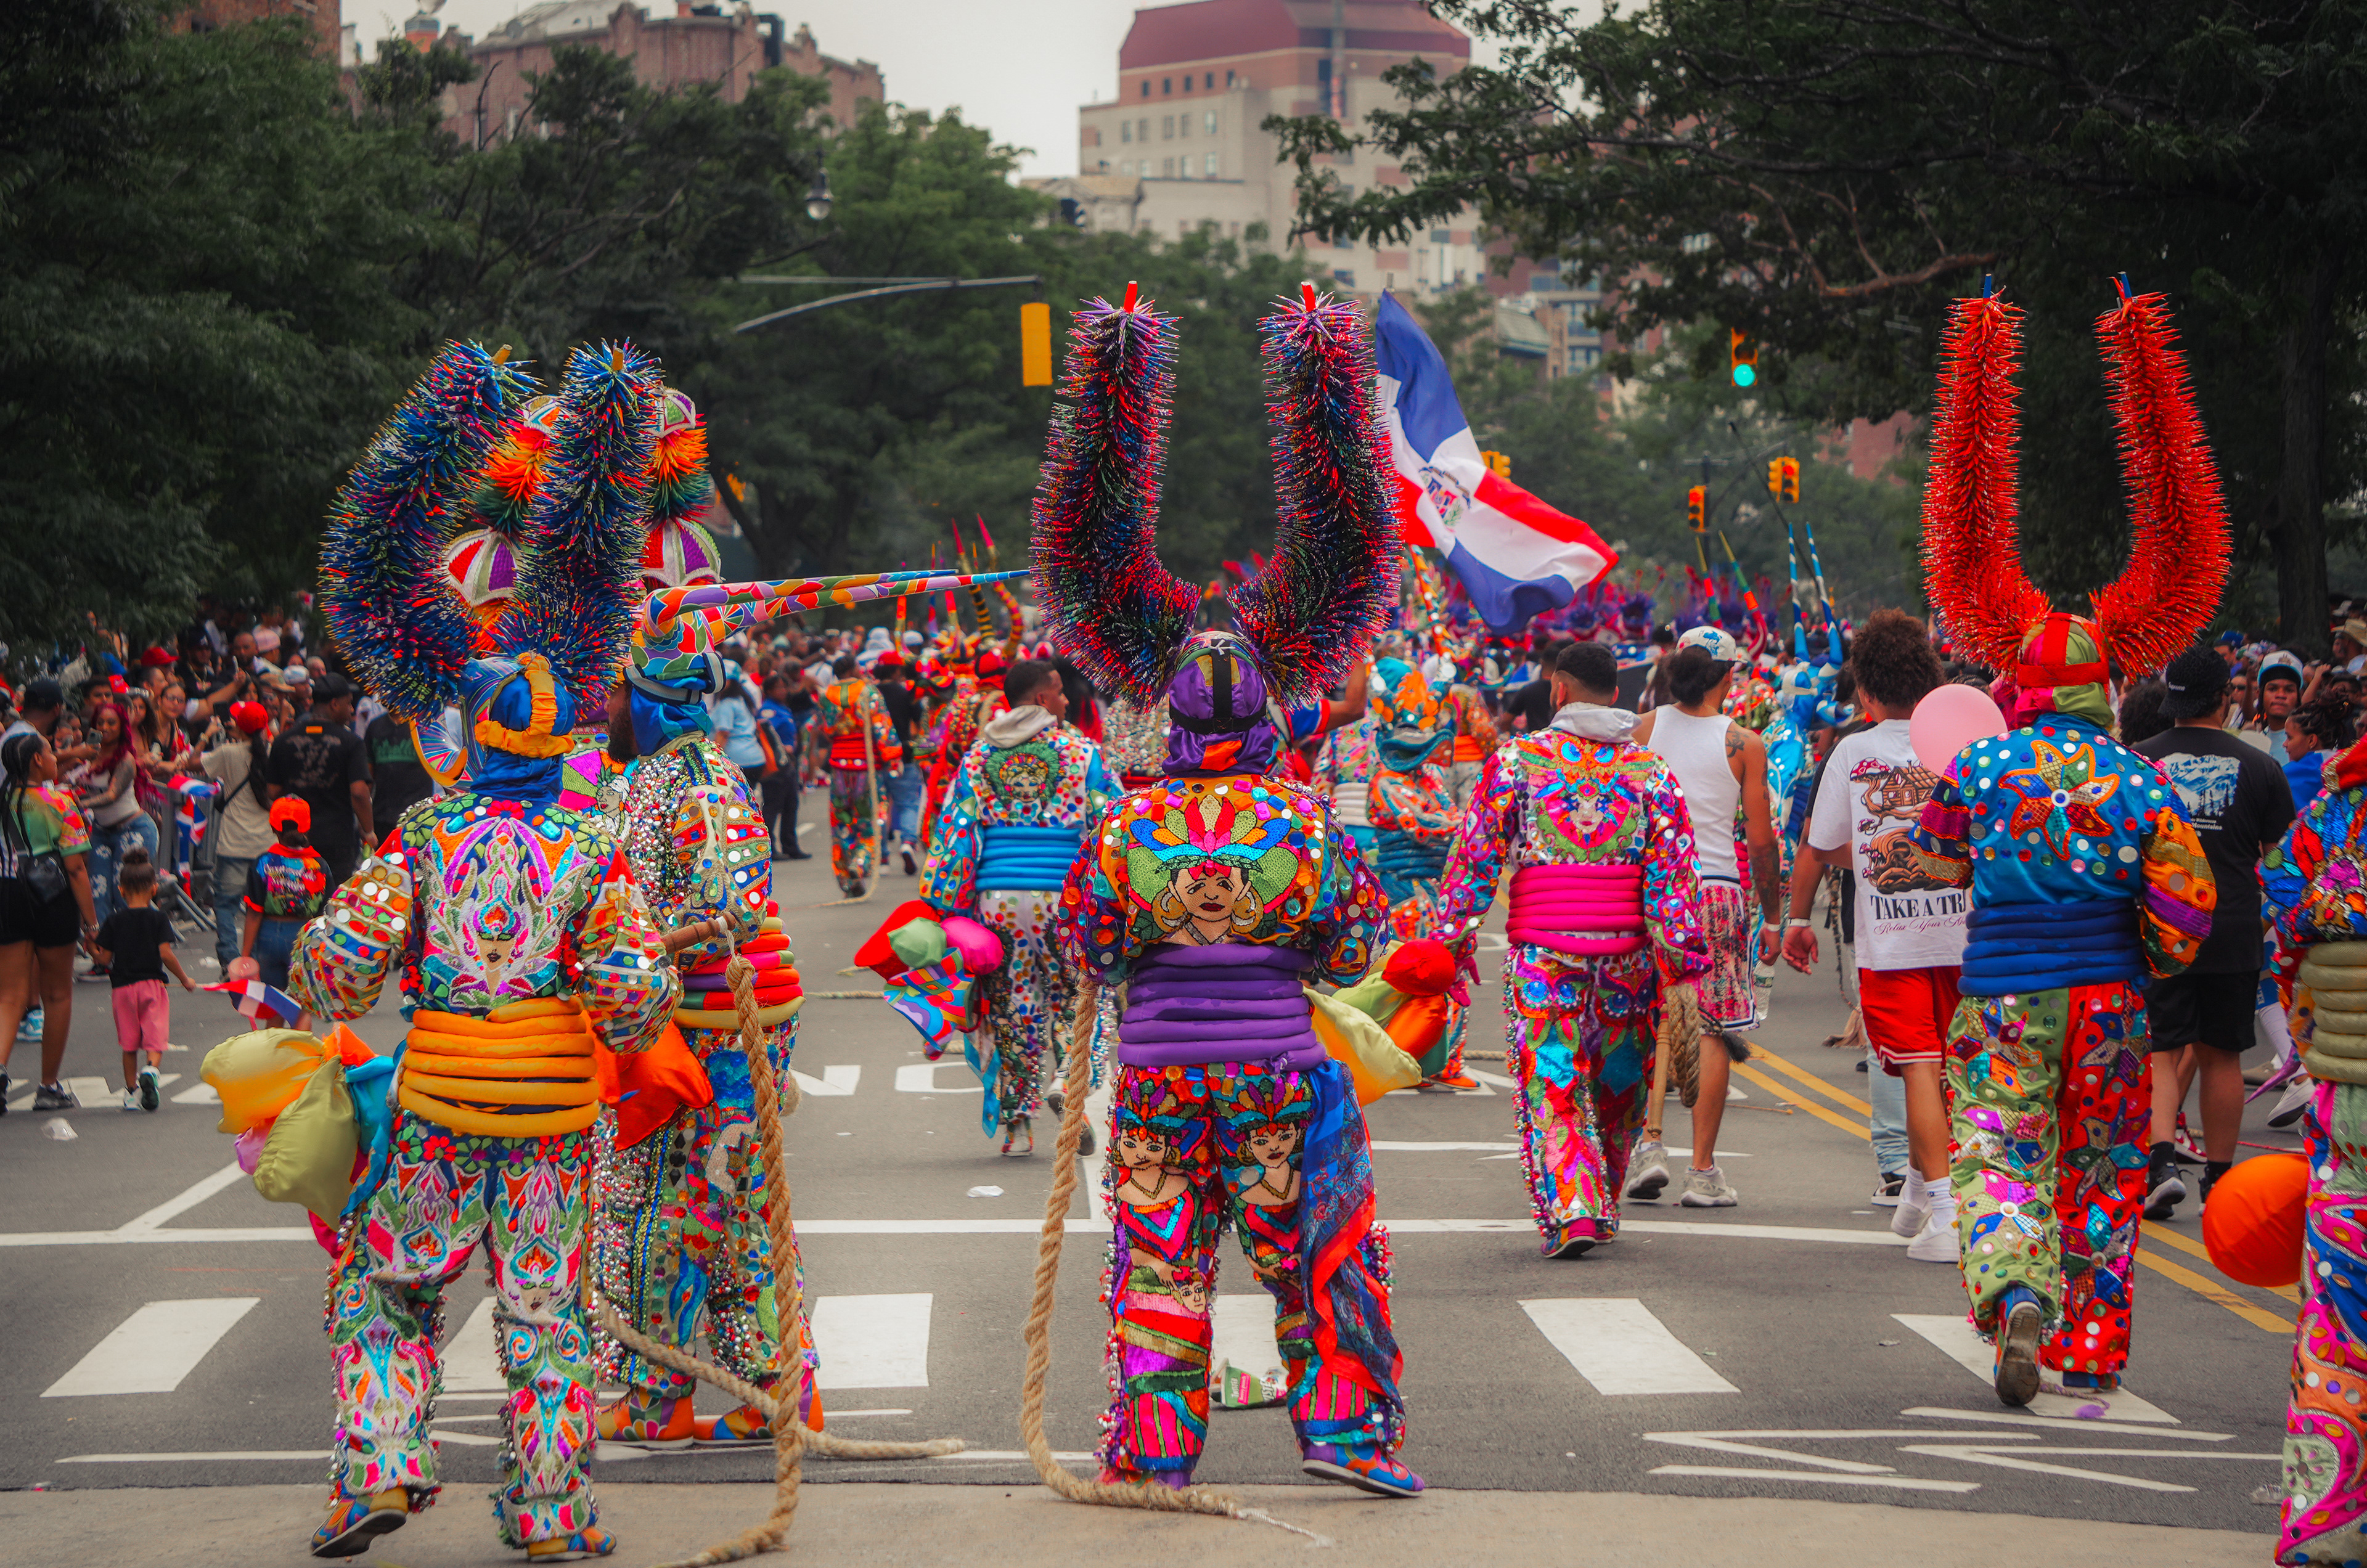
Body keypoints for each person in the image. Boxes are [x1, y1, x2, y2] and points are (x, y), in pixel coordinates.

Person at [297, 340, 678, 1561]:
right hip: (552, 1116)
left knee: (386, 1288)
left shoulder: (425, 832)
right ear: (561, 735)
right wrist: (657, 982)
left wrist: (319, 965)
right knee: (548, 1314)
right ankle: (552, 1513)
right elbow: (631, 998)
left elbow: (340, 967)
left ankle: (377, 1470)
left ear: (469, 733)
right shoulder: (592, 843)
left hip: (441, 1101)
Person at [1040, 285, 1418, 1498]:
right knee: (1316, 1262)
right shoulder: (1302, 821)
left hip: (1158, 1083)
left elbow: (1084, 942)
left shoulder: (1125, 823)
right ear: (1266, 716)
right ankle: (1349, 1439)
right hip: (1282, 1083)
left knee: (1159, 1272)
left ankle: (1151, 1451)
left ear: (1171, 720)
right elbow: (1355, 941)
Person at [1910, 283, 2225, 1404]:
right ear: (2110, 685)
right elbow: (2188, 901)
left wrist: (1990, 878)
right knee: (2103, 1164)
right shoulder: (2140, 779)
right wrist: (2152, 953)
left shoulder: (1983, 767)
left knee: (2000, 1147)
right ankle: (2088, 1342)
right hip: (2111, 1001)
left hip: (2004, 991)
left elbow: (1936, 858)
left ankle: (2013, 1291)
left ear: (2022, 685)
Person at [597, 588, 822, 1452]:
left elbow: (716, 908)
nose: (609, 708)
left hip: (707, 1020)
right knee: (732, 1203)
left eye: (618, 692)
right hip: (733, 1013)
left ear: (648, 697)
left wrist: (622, 946)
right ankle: (782, 1388)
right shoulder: (705, 773)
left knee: (670, 1208)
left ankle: (659, 1402)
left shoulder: (667, 784)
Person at [1434, 640, 1711, 1254]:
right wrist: (1682, 962)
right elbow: (1674, 876)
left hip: (1543, 955)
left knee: (1552, 1081)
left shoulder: (1515, 762)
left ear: (1558, 690)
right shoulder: (1651, 773)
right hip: (1628, 961)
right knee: (1619, 1087)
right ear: (1616, 695)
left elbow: (1475, 858)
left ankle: (1576, 1208)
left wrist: (1451, 942)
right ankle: (1598, 1197)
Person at [1783, 610, 1966, 1264]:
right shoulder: (1966, 745)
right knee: (1952, 1068)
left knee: (1918, 1067)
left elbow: (1821, 843)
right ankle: (1918, 1188)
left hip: (1894, 942)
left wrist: (1800, 917)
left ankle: (1947, 1210)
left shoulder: (1854, 753)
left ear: (1864, 692)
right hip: (1967, 936)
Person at [921, 656, 1113, 1153]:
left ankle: (1018, 1127)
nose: (1067, 701)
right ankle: (1067, 1086)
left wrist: (948, 906)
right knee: (1080, 1000)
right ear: (1043, 698)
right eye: (1061, 692)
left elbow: (957, 832)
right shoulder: (1081, 752)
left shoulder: (979, 755)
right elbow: (1108, 825)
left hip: (998, 901)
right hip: (1063, 899)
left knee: (1013, 1006)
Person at [2132, 645, 2296, 1216]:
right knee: (2222, 1055)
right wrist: (2266, 906)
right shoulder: (2262, 767)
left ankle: (2160, 1165)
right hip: (2232, 925)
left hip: (2160, 927)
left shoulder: (2138, 761)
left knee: (2161, 1049)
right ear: (2226, 699)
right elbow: (2280, 858)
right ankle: (2221, 1184)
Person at [2260, 724, 2367, 1566]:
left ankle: (2323, 1522)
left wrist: (2316, 1036)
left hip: (2350, 1094)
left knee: (2338, 1317)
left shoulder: (2336, 813)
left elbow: (2287, 923)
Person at [1632, 627, 1781, 1207]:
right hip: (1716, 891)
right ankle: (1702, 1171)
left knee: (1650, 1017)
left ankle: (1647, 1143)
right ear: (1729, 676)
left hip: (1653, 890)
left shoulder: (1642, 731)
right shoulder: (1743, 744)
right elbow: (1761, 842)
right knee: (1714, 1028)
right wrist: (1774, 917)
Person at [1364, 658, 1474, 1088]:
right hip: (1403, 889)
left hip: (1436, 886)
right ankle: (1403, 1060)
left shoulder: (1430, 779)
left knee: (1445, 970)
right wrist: (1463, 822)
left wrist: (1457, 821)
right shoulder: (1386, 782)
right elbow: (1423, 825)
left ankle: (1437, 1061)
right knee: (1410, 971)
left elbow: (1444, 816)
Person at [0, 732, 98, 1110]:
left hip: (8, 894)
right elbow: (76, 868)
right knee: (57, 995)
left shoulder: (3, 801)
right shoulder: (60, 802)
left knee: (9, 996)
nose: (57, 757)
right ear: (37, 761)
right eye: (50, 751)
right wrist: (91, 925)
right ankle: (48, 1086)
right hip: (52, 897)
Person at [91, 848, 193, 1111]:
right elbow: (166, 955)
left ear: (121, 890)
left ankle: (131, 1093)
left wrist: (90, 946)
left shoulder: (114, 920)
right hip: (152, 987)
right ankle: (151, 1070)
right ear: (154, 889)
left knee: (129, 1044)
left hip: (123, 990)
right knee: (155, 1039)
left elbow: (104, 959)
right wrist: (184, 979)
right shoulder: (158, 918)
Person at [264, 671, 372, 892]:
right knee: (334, 899)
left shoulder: (283, 741)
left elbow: (273, 791)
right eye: (348, 704)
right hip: (337, 840)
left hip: (293, 838)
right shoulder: (351, 743)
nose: (352, 710)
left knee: (296, 896)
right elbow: (359, 792)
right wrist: (369, 831)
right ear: (334, 704)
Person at [74, 699, 160, 950]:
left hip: (134, 830)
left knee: (126, 894)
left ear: (122, 727)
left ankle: (134, 954)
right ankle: (104, 959)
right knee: (98, 894)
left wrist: (78, 803)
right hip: (102, 833)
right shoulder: (88, 754)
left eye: (111, 723)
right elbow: (65, 774)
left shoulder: (126, 759)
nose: (105, 727)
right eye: (100, 722)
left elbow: (112, 795)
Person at [813, 654, 899, 896]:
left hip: (839, 767)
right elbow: (882, 729)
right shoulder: (869, 693)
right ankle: (860, 864)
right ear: (853, 670)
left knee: (842, 822)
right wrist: (893, 759)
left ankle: (846, 878)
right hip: (865, 767)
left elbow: (826, 730)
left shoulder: (827, 696)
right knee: (871, 820)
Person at [240, 798, 329, 992]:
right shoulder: (319, 866)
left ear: (273, 828)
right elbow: (326, 914)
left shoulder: (262, 863)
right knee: (302, 1002)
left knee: (273, 1000)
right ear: (307, 827)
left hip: (269, 936)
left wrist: (245, 956)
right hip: (304, 937)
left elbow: (254, 913)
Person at [362, 704, 433, 841]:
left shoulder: (422, 725)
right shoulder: (375, 726)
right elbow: (368, 778)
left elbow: (441, 766)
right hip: (382, 817)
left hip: (418, 817)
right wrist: (365, 820)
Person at [757, 673, 809, 859]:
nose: (783, 691)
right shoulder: (768, 711)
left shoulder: (783, 708)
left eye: (785, 687)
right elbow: (766, 735)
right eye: (778, 688)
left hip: (789, 763)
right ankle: (768, 847)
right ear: (769, 691)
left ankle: (790, 845)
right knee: (773, 805)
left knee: (791, 804)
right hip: (776, 764)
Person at [2285, 693, 2354, 813]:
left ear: (2311, 741)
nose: (2285, 744)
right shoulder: (2348, 763)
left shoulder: (2289, 775)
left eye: (2289, 738)